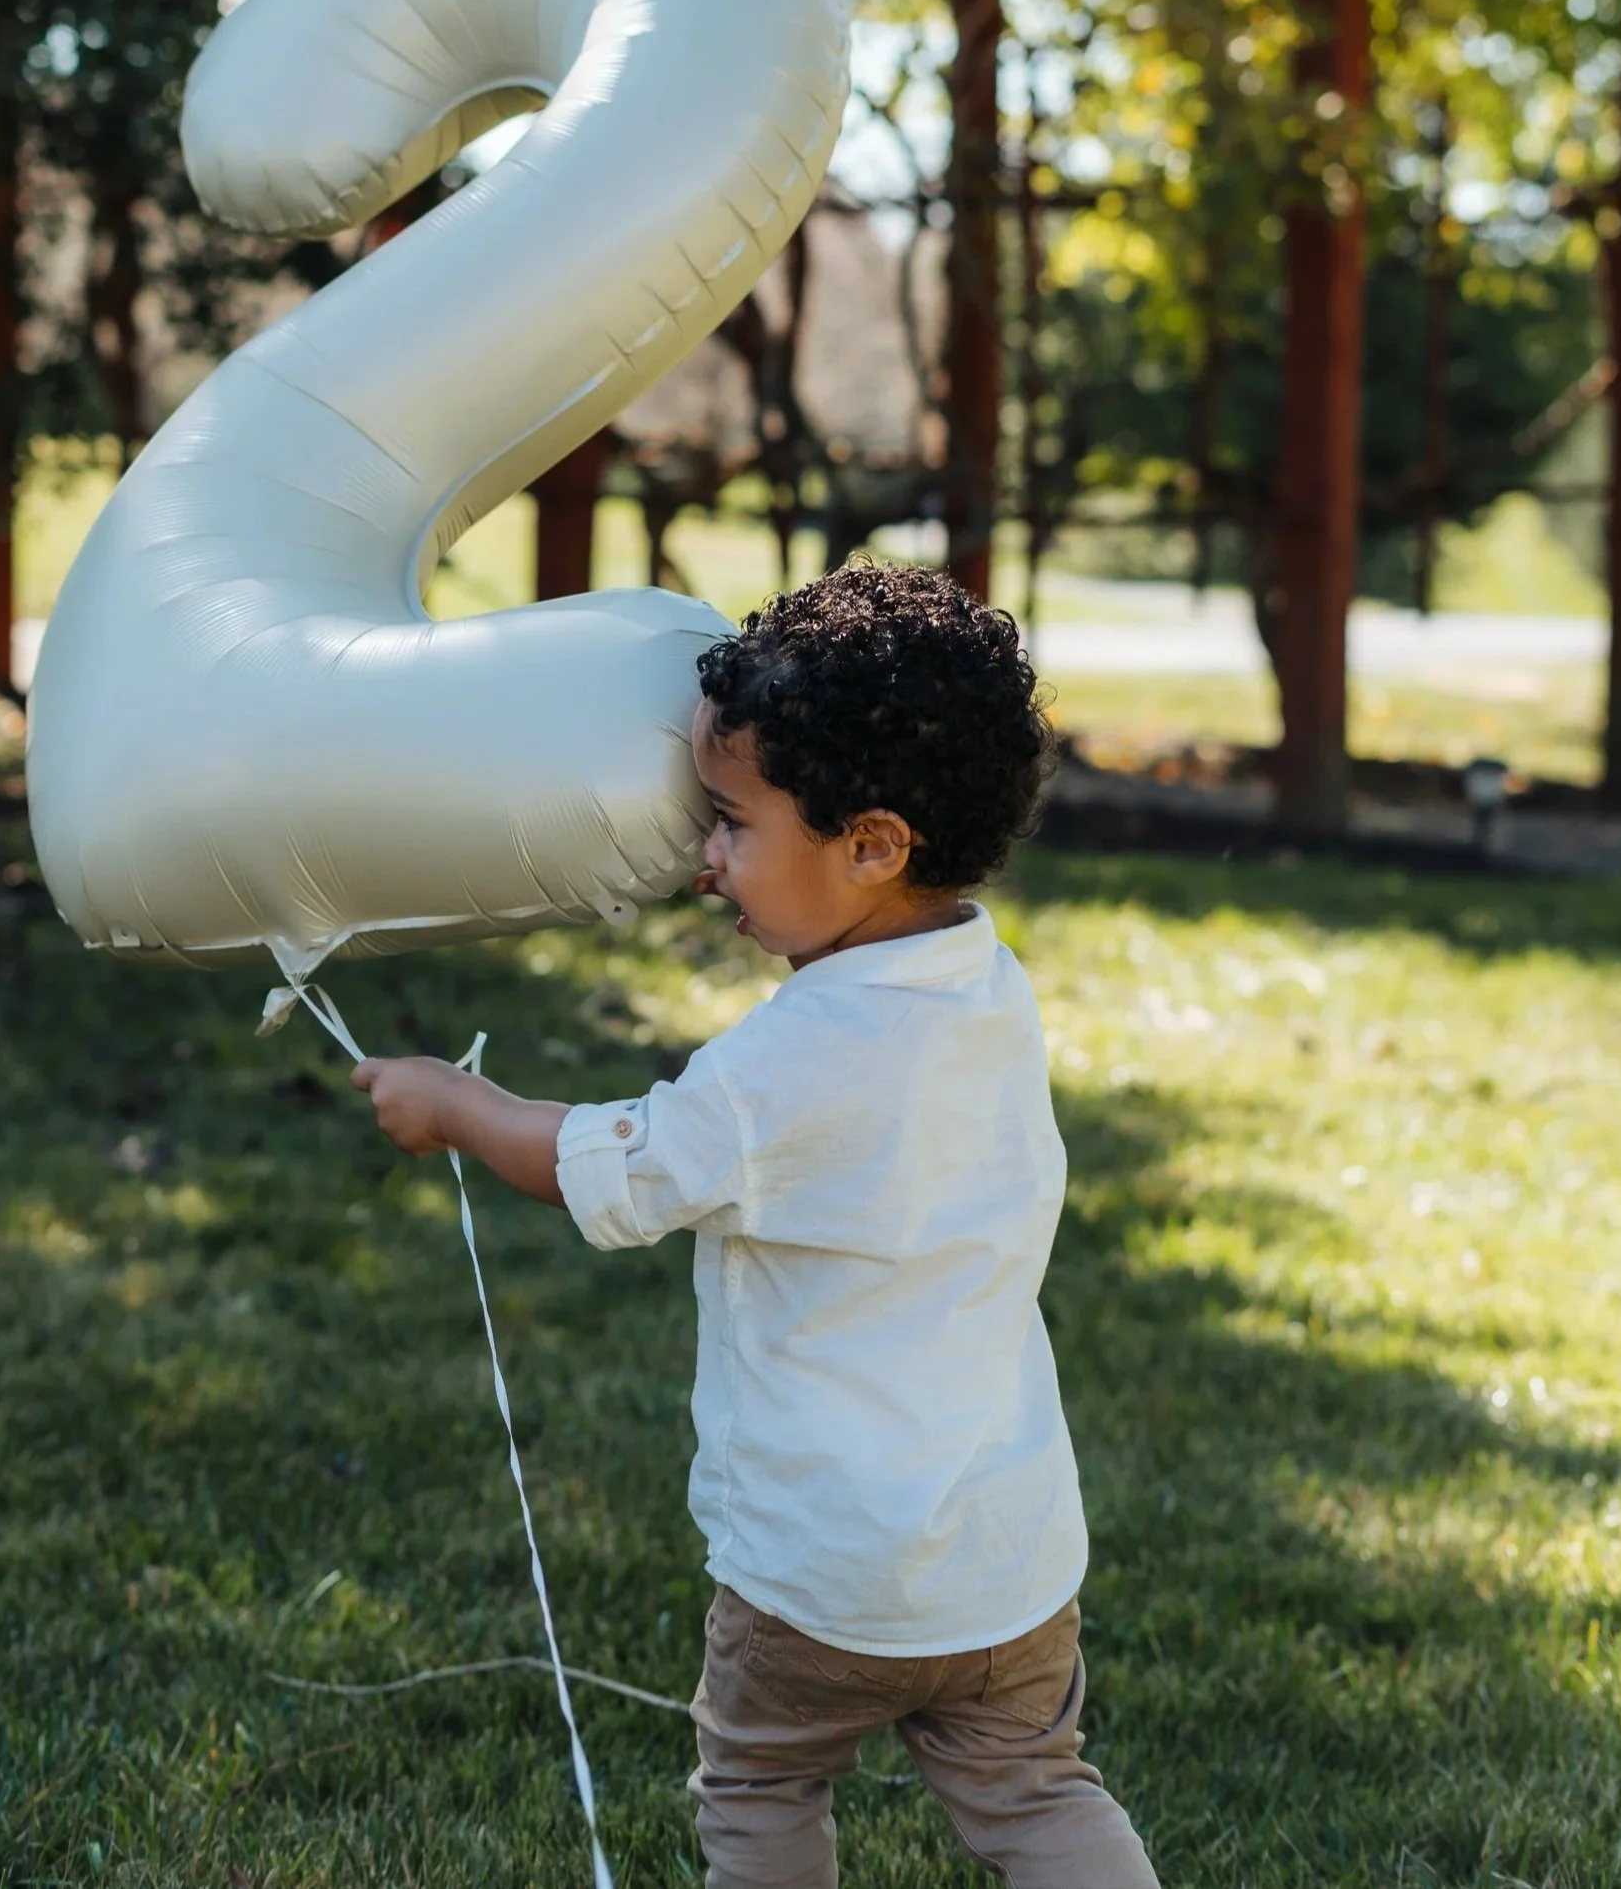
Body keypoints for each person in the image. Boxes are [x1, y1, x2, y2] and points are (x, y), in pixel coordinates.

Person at [352, 558, 1160, 1889]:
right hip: (1007, 1563)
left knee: (763, 1780)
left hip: (822, 1575)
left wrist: (458, 1102)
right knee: (1035, 1794)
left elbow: (614, 1168)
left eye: (729, 823)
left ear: (873, 845)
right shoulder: (985, 987)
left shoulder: (790, 1064)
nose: (702, 861)